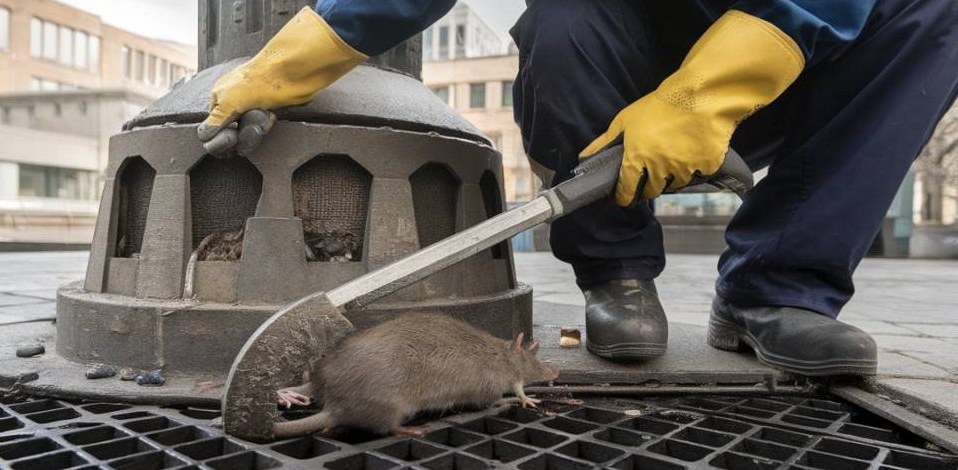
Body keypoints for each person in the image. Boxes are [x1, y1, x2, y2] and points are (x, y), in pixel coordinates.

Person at [197, 0, 958, 376]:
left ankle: (778, 288)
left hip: (786, 55)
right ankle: (617, 274)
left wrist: (705, 98)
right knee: (565, 12)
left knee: (933, 11)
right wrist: (282, 67)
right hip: (620, 51)